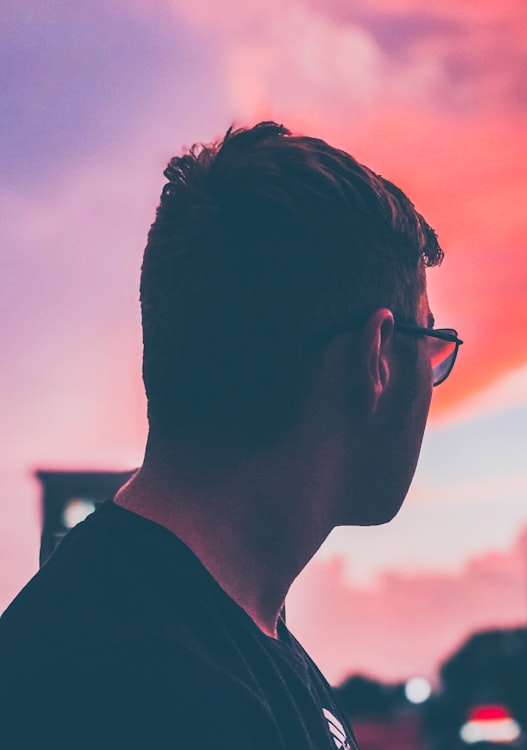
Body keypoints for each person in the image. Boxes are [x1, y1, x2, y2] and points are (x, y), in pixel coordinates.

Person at [0, 122, 462, 749]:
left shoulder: (199, 639)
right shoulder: (149, 694)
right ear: (378, 357)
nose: (433, 377)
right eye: (429, 343)